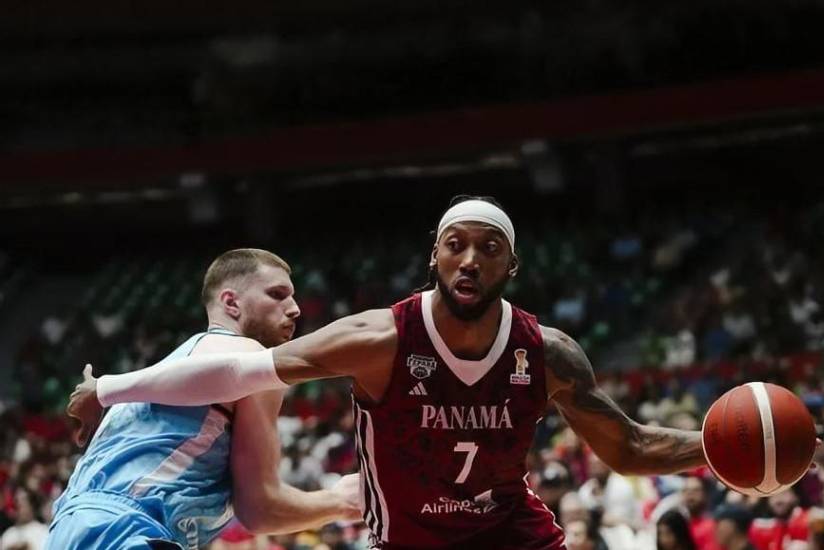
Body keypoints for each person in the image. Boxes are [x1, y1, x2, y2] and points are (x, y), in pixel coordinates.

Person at [69, 196, 708, 549]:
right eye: (455, 245)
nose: (470, 259)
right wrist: (108, 388)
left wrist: (722, 447)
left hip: (510, 535)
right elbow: (236, 375)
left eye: (489, 248)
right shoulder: (377, 338)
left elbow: (629, 447)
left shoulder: (547, 352)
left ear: (510, 267)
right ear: (434, 256)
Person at [47, 249, 359, 550]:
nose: (295, 309)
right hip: (125, 529)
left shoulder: (173, 364)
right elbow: (260, 507)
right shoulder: (248, 355)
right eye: (277, 294)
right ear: (231, 302)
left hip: (71, 529)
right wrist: (341, 501)